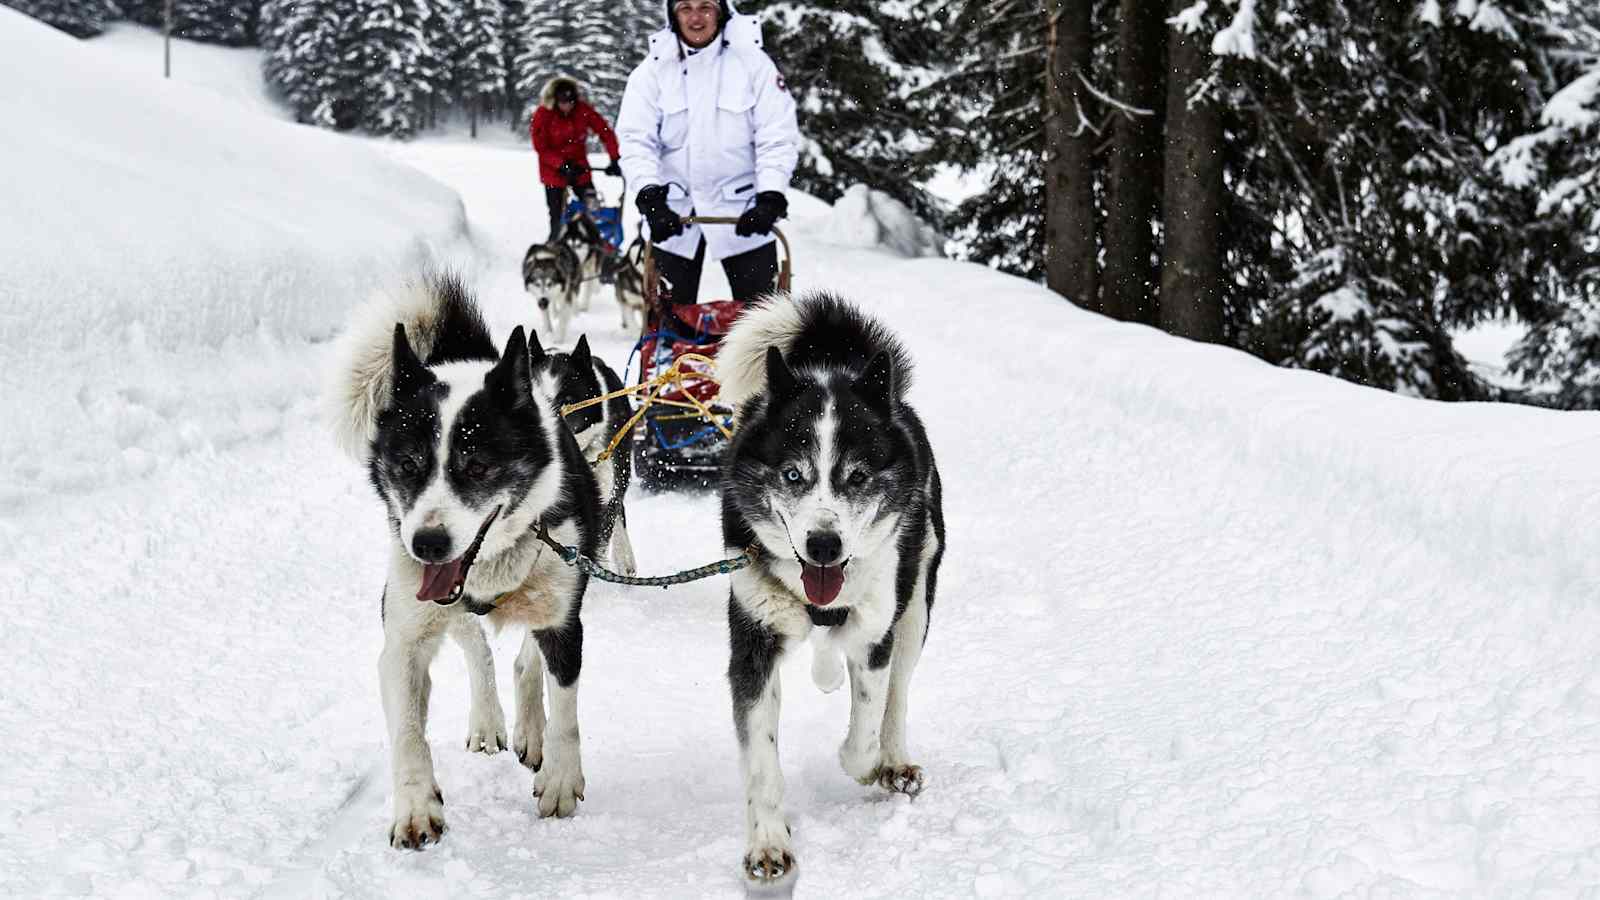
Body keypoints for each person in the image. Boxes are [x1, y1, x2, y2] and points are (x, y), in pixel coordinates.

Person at [616, 0, 799, 303]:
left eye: (706, 7)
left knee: (762, 323)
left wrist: (770, 195)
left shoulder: (753, 65)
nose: (696, 18)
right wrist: (650, 197)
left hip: (743, 213)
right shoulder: (652, 72)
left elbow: (776, 136)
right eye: (685, 8)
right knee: (669, 322)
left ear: (721, 12)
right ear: (673, 16)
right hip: (674, 216)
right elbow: (637, 141)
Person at [530, 75, 622, 241]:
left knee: (592, 209)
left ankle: (596, 242)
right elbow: (541, 148)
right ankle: (556, 242)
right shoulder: (543, 114)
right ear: (555, 100)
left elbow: (605, 132)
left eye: (571, 102)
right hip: (553, 173)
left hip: (580, 169)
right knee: (557, 216)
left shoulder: (583, 111)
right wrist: (561, 165)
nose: (567, 106)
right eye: (563, 102)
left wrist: (614, 158)